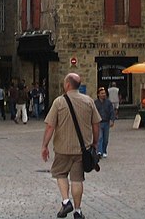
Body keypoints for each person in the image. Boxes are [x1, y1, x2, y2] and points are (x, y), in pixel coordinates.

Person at [41, 73, 101, 219]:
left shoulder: (59, 102)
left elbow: (50, 126)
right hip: (82, 150)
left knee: (60, 174)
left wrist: (45, 145)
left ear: (67, 84)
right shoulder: (88, 101)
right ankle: (78, 211)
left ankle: (66, 201)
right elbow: (96, 124)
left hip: (62, 149)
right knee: (77, 179)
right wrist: (94, 142)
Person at [94, 86, 115, 158]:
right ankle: (99, 151)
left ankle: (104, 151)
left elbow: (112, 112)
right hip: (99, 122)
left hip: (106, 122)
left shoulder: (108, 103)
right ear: (98, 94)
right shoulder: (95, 103)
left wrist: (112, 120)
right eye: (102, 93)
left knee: (105, 139)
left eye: (104, 93)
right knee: (100, 137)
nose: (103, 95)